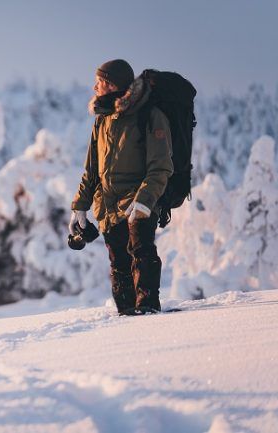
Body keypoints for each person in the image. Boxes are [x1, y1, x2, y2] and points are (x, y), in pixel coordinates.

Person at [69, 59, 173, 315]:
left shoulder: (149, 116)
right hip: (108, 206)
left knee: (142, 252)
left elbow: (161, 166)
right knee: (119, 264)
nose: (94, 87)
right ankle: (126, 317)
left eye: (99, 82)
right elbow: (92, 170)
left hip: (139, 201)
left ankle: (148, 309)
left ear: (112, 85)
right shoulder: (102, 121)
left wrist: (145, 200)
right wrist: (79, 208)